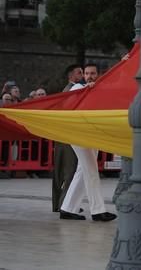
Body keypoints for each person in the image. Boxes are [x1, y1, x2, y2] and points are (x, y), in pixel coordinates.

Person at [60, 63, 117, 222]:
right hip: (79, 135)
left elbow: (113, 79)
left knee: (83, 170)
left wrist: (123, 62)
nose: (89, 76)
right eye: (86, 73)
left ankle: (67, 208)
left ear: (98, 74)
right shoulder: (78, 87)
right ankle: (98, 211)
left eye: (92, 73)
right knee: (91, 169)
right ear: (83, 75)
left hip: (91, 134)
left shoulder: (99, 89)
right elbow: (78, 93)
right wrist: (89, 87)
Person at [51, 63, 83, 213]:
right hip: (68, 136)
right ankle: (66, 204)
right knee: (70, 171)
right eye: (79, 73)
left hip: (61, 136)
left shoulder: (66, 90)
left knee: (59, 172)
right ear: (71, 75)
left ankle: (58, 203)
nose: (82, 75)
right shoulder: (72, 90)